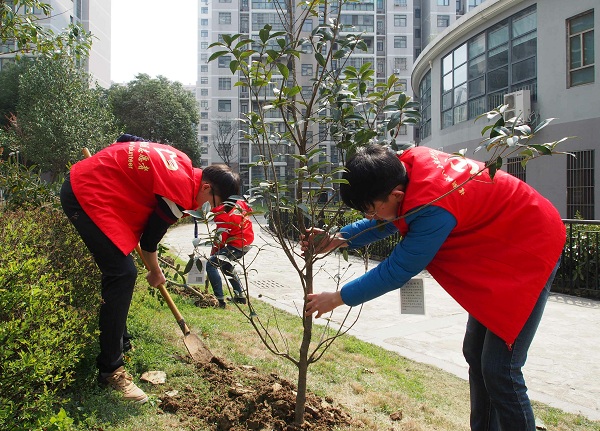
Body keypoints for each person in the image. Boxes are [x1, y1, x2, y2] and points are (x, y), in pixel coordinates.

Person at [302, 144, 565, 431]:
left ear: (396, 194)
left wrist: (338, 298)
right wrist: (339, 238)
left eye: (370, 210)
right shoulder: (404, 172)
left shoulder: (434, 206)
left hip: (531, 247)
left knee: (500, 369)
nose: (370, 217)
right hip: (504, 245)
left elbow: (397, 270)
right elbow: (393, 218)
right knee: (475, 354)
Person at [60, 134, 237, 403]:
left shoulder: (181, 160)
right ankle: (110, 370)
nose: (210, 210)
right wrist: (155, 272)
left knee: (121, 268)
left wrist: (111, 164)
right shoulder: (179, 194)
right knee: (122, 274)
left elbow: (126, 139)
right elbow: (149, 242)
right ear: (206, 187)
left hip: (98, 186)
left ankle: (121, 342)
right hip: (85, 194)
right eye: (214, 204)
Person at [203, 166, 254, 308]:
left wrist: (214, 251)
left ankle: (219, 300)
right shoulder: (237, 202)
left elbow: (221, 238)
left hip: (236, 244)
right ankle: (240, 297)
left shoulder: (222, 213)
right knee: (226, 266)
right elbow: (249, 210)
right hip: (247, 241)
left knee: (211, 264)